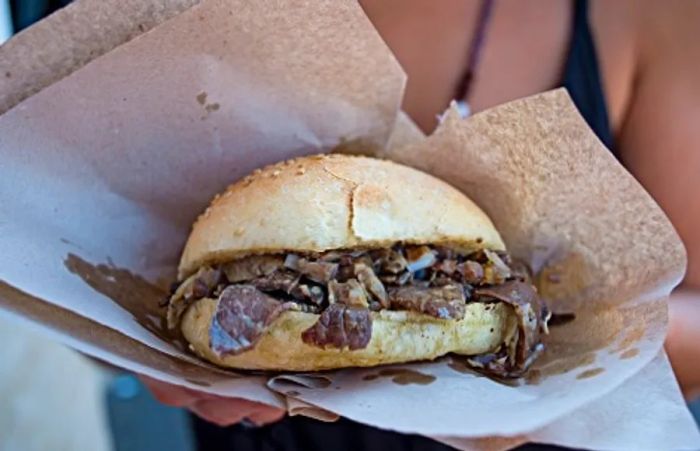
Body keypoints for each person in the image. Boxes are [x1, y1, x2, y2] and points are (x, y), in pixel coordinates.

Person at [138, 0, 700, 449]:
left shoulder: (651, 15)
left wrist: (567, 349)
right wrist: (145, 355)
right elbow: (78, 254)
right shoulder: (160, 13)